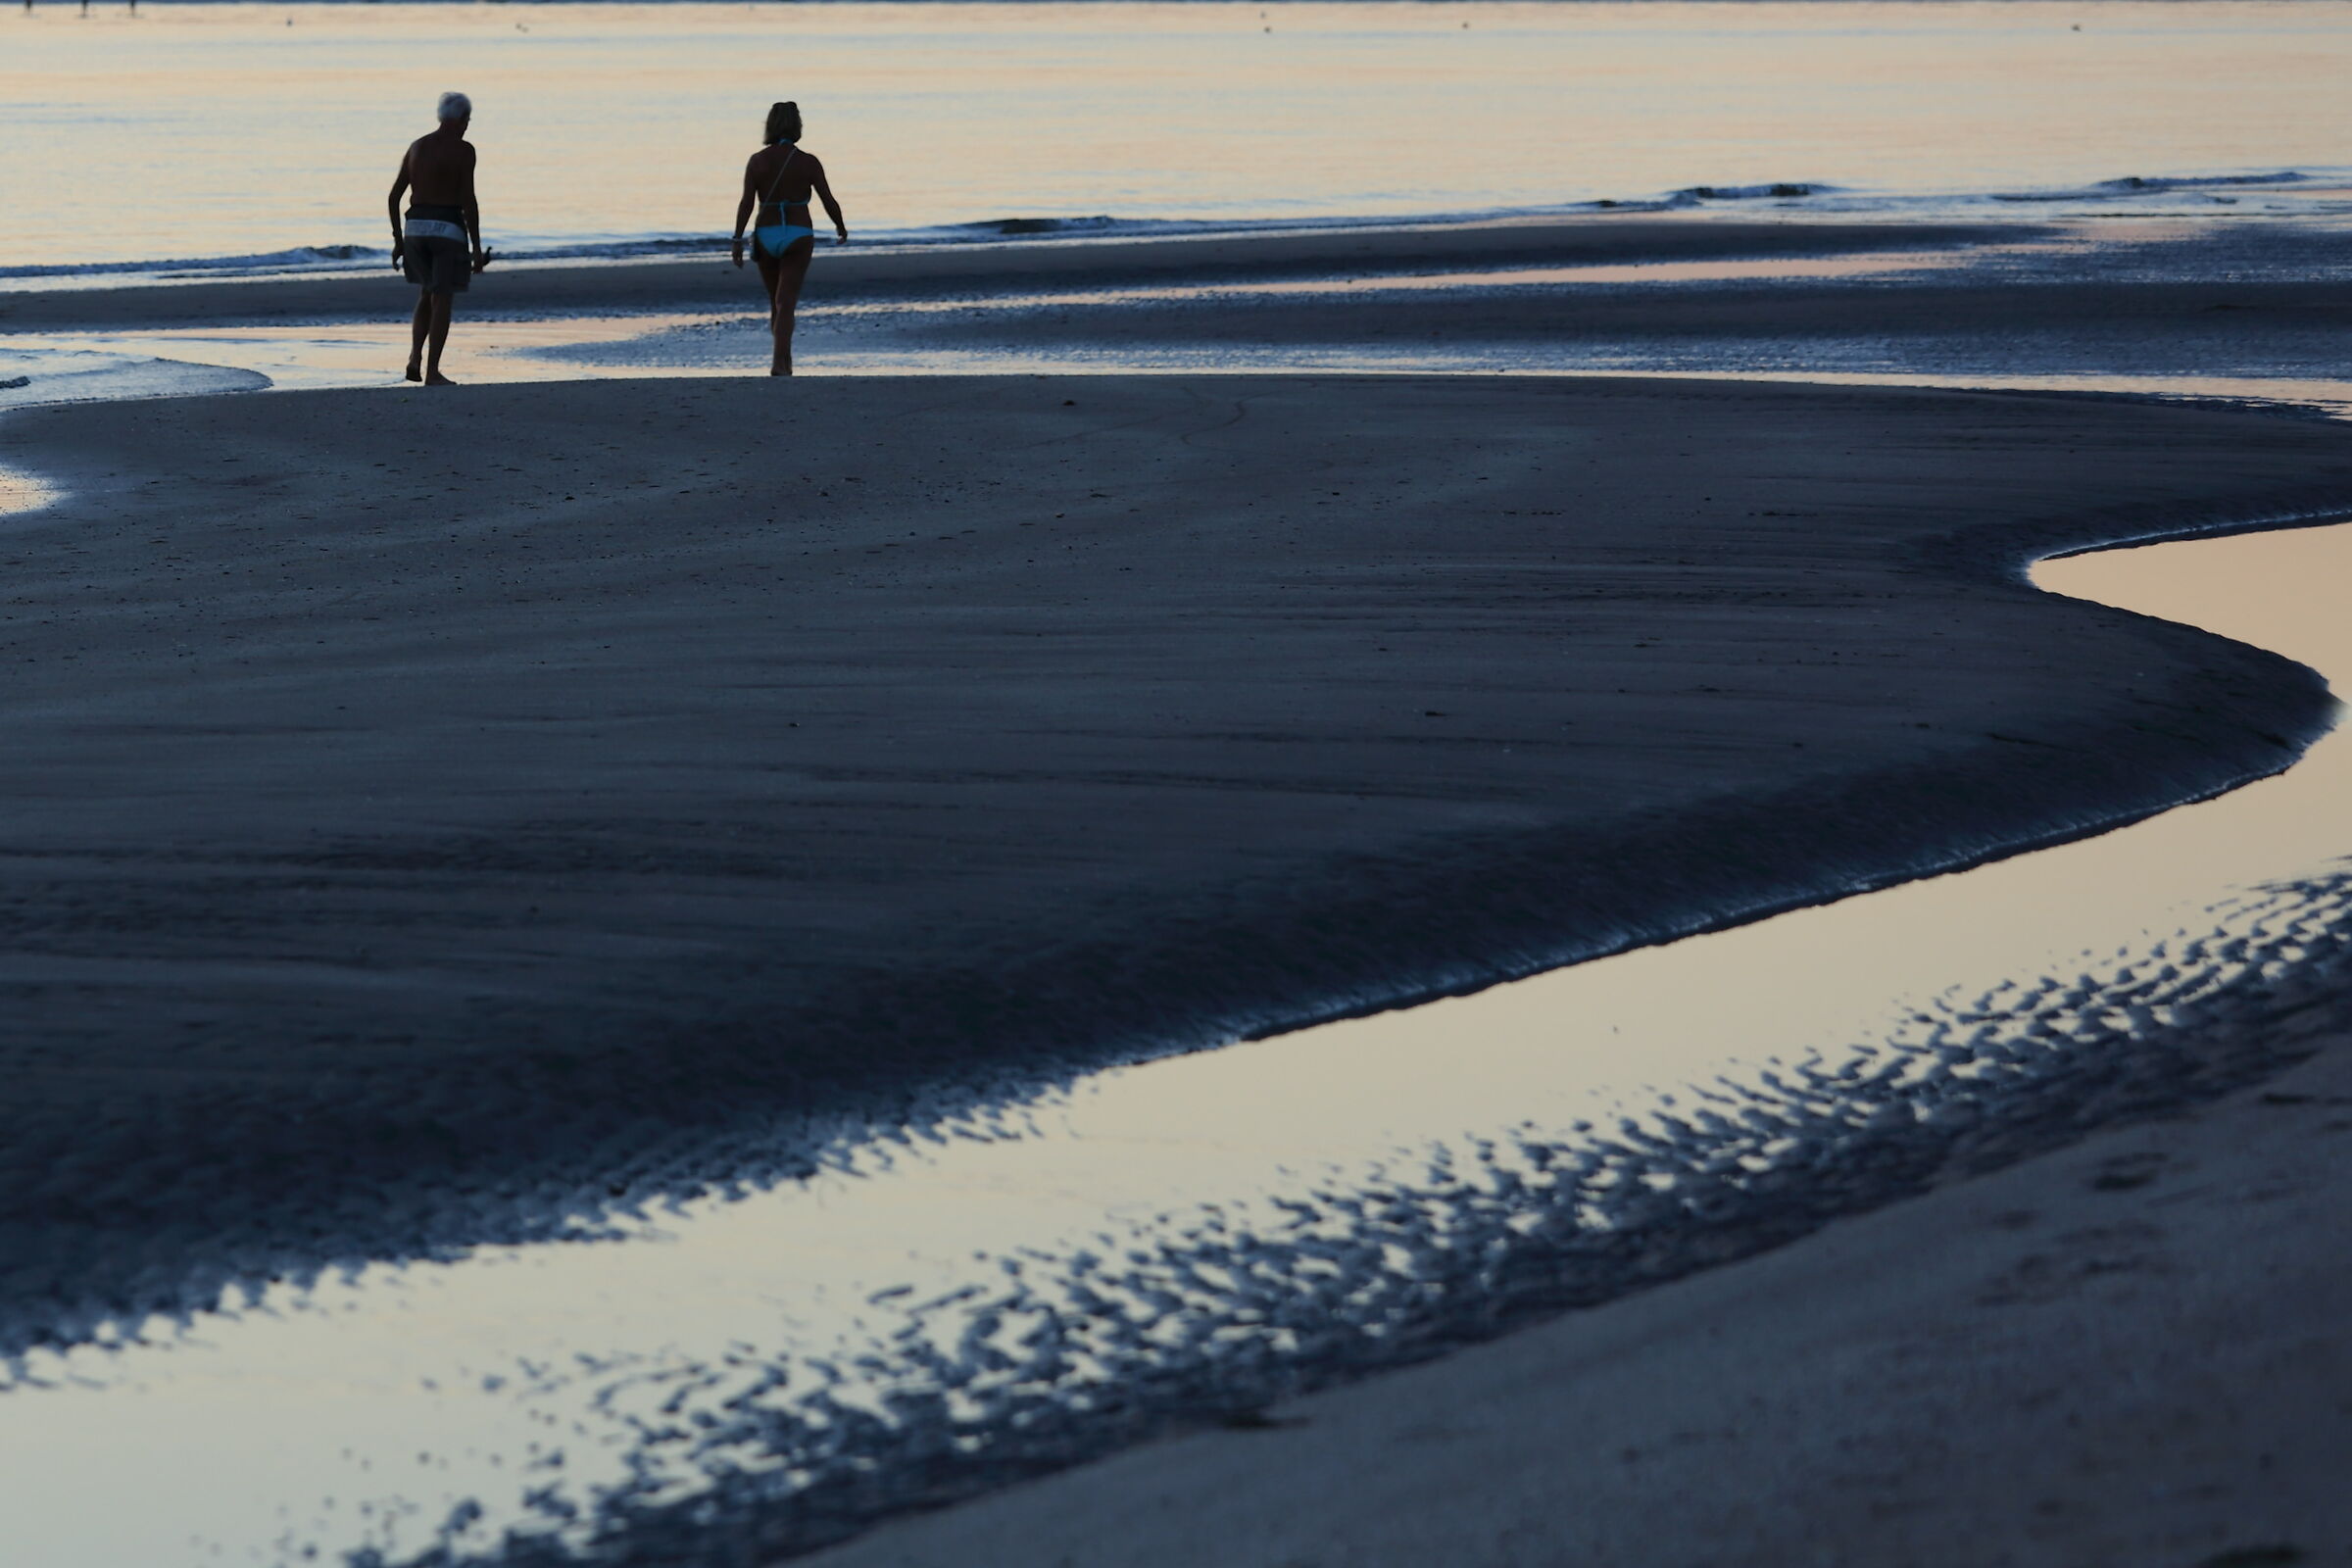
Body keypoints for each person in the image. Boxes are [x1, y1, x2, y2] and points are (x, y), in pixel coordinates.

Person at [730, 101, 848, 376]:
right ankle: (780, 362)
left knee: (776, 301)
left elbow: (746, 203)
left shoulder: (757, 161)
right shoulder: (808, 162)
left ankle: (784, 360)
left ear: (770, 126)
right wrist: (840, 225)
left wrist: (737, 239)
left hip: (766, 233)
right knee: (787, 301)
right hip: (798, 234)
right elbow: (828, 199)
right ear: (798, 127)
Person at [388, 91, 494, 386]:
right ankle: (433, 371)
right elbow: (467, 200)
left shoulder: (416, 147)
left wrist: (398, 239)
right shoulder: (464, 150)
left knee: (426, 292)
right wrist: (475, 247)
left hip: (415, 229)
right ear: (461, 119)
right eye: (467, 120)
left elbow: (394, 197)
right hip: (447, 228)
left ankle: (414, 358)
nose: (467, 125)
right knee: (442, 298)